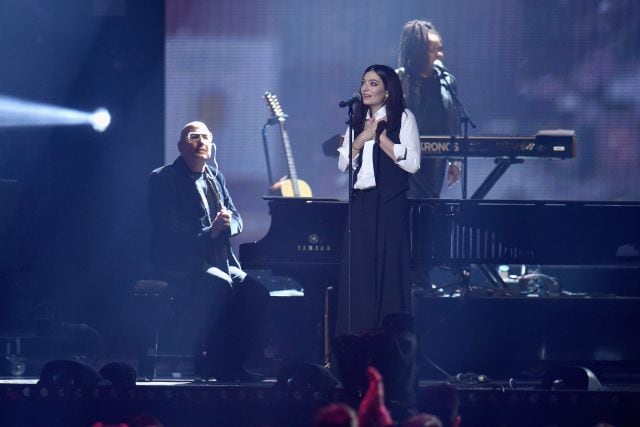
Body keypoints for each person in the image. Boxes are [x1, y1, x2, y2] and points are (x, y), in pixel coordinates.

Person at [148, 120, 269, 382]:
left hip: (220, 260)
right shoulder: (162, 178)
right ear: (181, 146)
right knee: (221, 285)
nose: (201, 142)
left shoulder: (215, 177)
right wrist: (209, 232)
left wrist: (229, 224)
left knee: (256, 293)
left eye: (205, 137)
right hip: (181, 263)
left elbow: (237, 217)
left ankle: (234, 363)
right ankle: (212, 362)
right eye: (194, 137)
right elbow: (167, 228)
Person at [336, 64, 421, 336]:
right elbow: (342, 165)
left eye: (373, 83)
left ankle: (389, 350)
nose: (365, 88)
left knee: (388, 274)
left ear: (387, 91)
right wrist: (361, 138)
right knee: (359, 275)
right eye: (363, 83)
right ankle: (355, 348)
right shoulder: (357, 121)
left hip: (389, 204)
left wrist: (381, 138)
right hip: (362, 204)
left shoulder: (403, 118)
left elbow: (414, 163)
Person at [397, 19, 461, 199]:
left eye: (441, 49)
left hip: (436, 158)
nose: (439, 55)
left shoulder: (447, 82)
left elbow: (453, 121)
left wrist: (455, 160)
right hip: (404, 156)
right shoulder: (399, 80)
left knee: (430, 207)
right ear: (417, 52)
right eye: (433, 50)